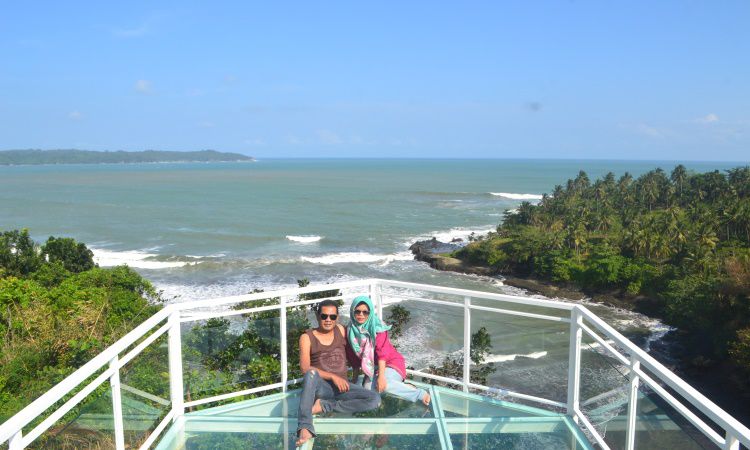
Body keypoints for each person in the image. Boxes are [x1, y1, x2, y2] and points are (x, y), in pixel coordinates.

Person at [296, 299, 381, 447]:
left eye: (332, 317)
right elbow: (304, 368)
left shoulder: (341, 330)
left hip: (343, 388)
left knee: (375, 399)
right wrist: (332, 377)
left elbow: (363, 329)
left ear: (337, 318)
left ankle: (325, 406)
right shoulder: (306, 337)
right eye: (324, 316)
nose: (328, 320)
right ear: (317, 316)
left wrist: (384, 365)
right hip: (322, 387)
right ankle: (305, 426)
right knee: (310, 374)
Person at [346, 295, 430, 406]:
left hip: (391, 363)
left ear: (370, 313)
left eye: (365, 312)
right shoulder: (350, 330)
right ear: (352, 312)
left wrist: (381, 377)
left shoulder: (378, 328)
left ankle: (419, 393)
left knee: (385, 384)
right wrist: (355, 379)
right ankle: (404, 387)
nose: (361, 315)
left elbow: (382, 355)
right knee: (367, 390)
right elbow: (353, 358)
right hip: (373, 368)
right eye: (357, 311)